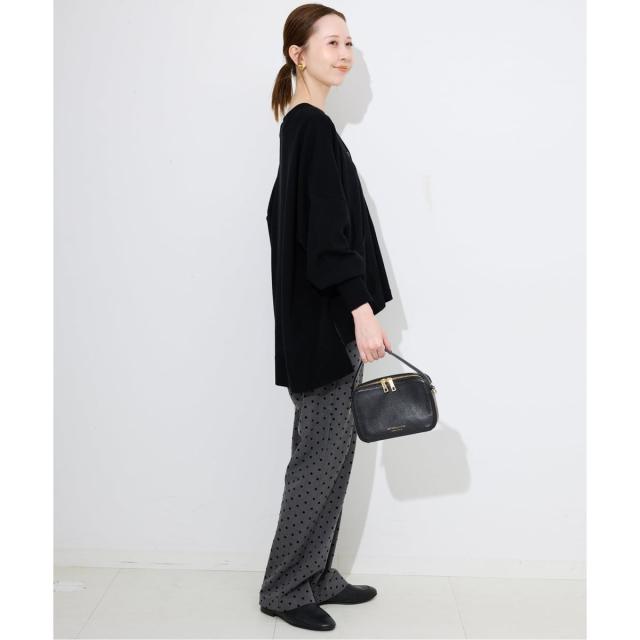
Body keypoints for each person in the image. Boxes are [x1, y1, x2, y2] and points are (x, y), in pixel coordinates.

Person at [259, 4, 393, 632]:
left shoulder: (304, 127)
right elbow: (326, 238)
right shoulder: (309, 127)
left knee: (335, 455)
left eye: (348, 43)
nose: (344, 53)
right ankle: (285, 588)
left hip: (320, 321)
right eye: (331, 42)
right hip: (326, 325)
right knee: (319, 459)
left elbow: (287, 222)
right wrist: (361, 311)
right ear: (299, 53)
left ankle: (316, 573)